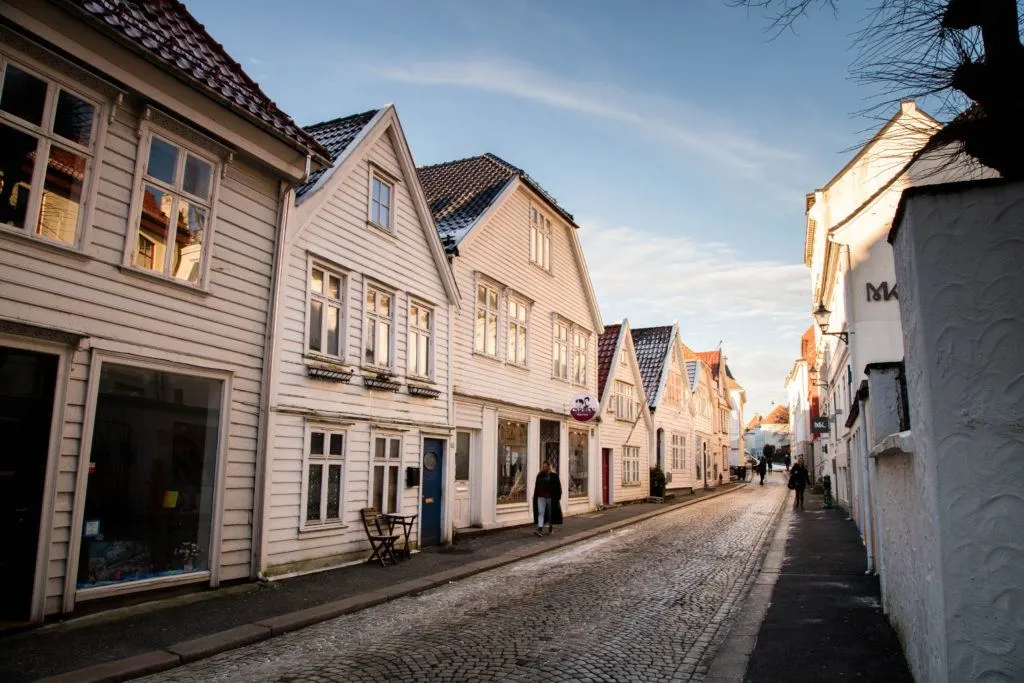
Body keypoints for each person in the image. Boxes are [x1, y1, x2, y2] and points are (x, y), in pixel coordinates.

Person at [532, 461, 563, 535]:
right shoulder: (540, 475)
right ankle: (540, 529)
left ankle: (550, 527)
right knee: (541, 512)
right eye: (543, 466)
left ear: (549, 466)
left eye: (546, 466)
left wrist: (558, 497)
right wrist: (535, 495)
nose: (544, 467)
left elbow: (558, 487)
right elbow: (537, 486)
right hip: (541, 496)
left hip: (550, 497)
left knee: (550, 513)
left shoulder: (554, 475)